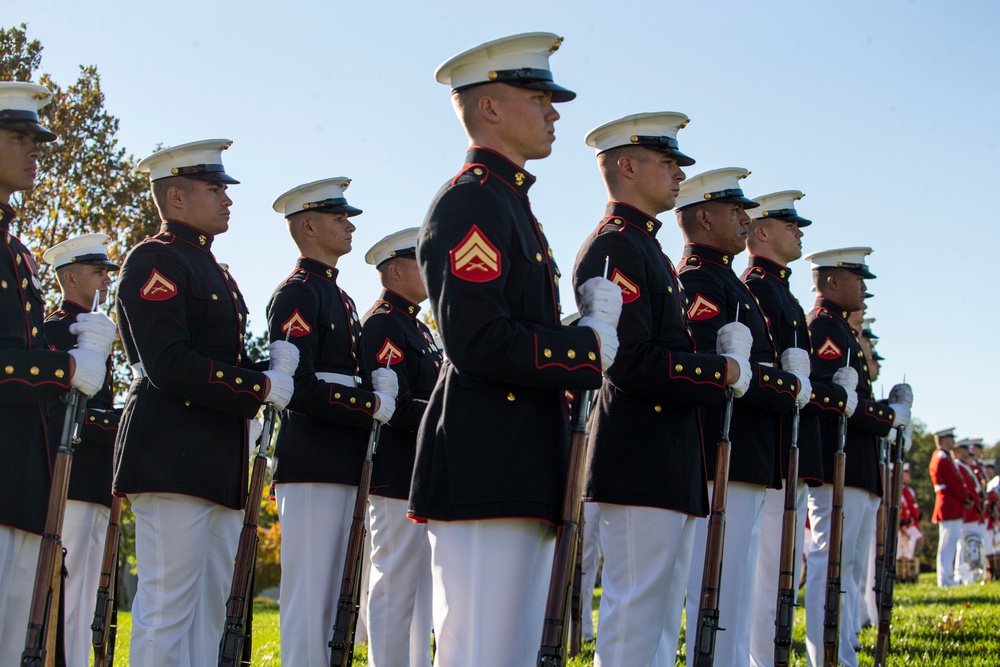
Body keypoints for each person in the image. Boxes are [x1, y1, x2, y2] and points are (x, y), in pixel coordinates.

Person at [411, 33, 620, 667]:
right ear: (491, 108)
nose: (555, 111)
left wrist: (578, 335)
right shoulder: (473, 200)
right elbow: (477, 340)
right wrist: (584, 348)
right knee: (484, 649)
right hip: (486, 459)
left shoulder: (509, 202)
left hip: (518, 456)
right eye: (539, 97)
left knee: (513, 648)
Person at [571, 114, 751, 665]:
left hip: (663, 453)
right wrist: (717, 371)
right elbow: (628, 360)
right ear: (627, 165)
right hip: (638, 452)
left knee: (658, 612)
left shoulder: (644, 248)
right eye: (667, 162)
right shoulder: (616, 247)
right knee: (634, 615)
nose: (678, 174)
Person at [114, 139, 299, 666]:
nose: (227, 198)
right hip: (171, 454)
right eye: (214, 188)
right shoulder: (155, 260)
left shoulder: (214, 270)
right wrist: (258, 389)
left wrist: (263, 380)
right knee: (167, 609)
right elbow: (168, 363)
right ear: (175, 196)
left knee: (210, 610)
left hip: (215, 456)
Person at [673, 168, 808, 667]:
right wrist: (786, 384)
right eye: (736, 212)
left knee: (736, 586)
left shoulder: (729, 280)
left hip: (747, 453)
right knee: (718, 589)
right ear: (704, 217)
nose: (746, 220)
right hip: (719, 452)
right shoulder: (701, 281)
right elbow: (716, 366)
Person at [0, 82, 114, 666]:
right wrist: (67, 367)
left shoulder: (15, 252)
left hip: (24, 479)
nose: (34, 150)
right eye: (19, 138)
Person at [265, 177, 397, 666]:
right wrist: (366, 404)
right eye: (338, 218)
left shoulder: (336, 296)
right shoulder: (298, 295)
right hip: (313, 460)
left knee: (339, 593)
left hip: (341, 459)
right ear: (307, 225)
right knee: (312, 596)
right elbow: (298, 385)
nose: (348, 225)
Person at [742, 191, 853, 667]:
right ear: (761, 231)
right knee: (766, 573)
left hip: (784, 448)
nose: (801, 234)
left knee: (781, 570)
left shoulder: (779, 291)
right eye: (791, 226)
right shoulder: (759, 289)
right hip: (765, 446)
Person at [800, 247, 909, 667]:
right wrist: (887, 415)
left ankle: (841, 651)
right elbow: (831, 400)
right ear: (831, 282)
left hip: (857, 464)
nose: (864, 287)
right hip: (835, 464)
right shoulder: (824, 328)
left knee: (845, 570)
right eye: (857, 278)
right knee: (832, 565)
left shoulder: (841, 329)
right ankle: (824, 656)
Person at [361, 227, 441, 666]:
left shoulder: (415, 325)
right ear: (395, 270)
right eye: (420, 261)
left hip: (417, 472)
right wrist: (451, 417)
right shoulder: (383, 323)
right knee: (393, 584)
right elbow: (396, 405)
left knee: (420, 592)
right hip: (395, 473)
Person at [41, 233, 121, 667]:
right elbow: (60, 413)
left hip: (94, 477)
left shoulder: (95, 329)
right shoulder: (55, 329)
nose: (105, 282)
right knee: (64, 588)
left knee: (88, 589)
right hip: (67, 480)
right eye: (97, 273)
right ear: (70, 277)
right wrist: (119, 423)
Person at [929, 427, 973, 587]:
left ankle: (947, 578)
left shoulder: (943, 457)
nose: (953, 442)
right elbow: (954, 483)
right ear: (943, 440)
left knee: (949, 544)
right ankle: (945, 580)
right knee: (947, 545)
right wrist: (966, 496)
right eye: (950, 438)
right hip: (949, 504)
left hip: (951, 504)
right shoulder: (941, 458)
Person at [898, 462, 923, 582]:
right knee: (901, 553)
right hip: (903, 525)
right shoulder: (899, 488)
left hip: (910, 524)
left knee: (909, 552)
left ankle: (909, 576)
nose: (908, 475)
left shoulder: (908, 489)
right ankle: (901, 577)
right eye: (906, 473)